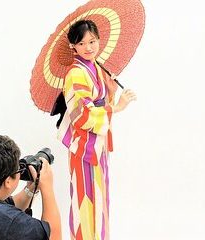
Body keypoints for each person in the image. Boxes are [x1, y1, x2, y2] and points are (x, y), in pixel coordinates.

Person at [57, 20, 136, 240]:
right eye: (81, 44)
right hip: (83, 147)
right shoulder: (75, 73)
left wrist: (109, 91)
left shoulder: (96, 68)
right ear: (73, 46)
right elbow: (81, 115)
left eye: (92, 41)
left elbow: (98, 101)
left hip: (97, 145)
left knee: (100, 198)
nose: (89, 48)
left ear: (99, 40)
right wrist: (116, 107)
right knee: (84, 199)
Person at [0, 135, 62, 240]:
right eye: (18, 169)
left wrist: (30, 189)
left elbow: (6, 206)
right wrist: (47, 187)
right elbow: (53, 236)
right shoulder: (10, 222)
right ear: (8, 181)